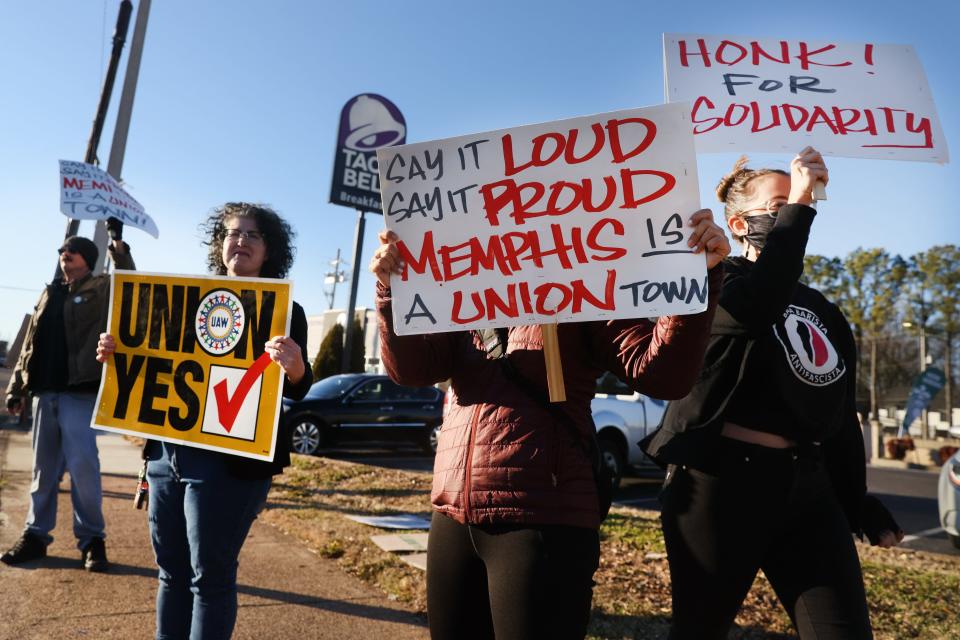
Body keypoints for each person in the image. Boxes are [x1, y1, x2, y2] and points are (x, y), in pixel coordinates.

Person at [370, 211, 731, 640]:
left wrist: (697, 280)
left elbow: (662, 375)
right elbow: (411, 369)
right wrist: (390, 290)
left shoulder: (585, 285)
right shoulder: (461, 287)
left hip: (543, 516)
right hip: (451, 512)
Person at [641, 148, 904, 639]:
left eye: (801, 203)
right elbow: (758, 308)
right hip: (720, 488)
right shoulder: (713, 285)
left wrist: (856, 500)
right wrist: (801, 205)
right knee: (699, 629)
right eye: (780, 205)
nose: (797, 210)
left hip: (807, 490)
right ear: (739, 224)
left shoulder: (822, 308)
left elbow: (839, 415)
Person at [97, 203, 311, 640]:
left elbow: (296, 389)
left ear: (270, 249)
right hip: (166, 458)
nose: (241, 241)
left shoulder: (287, 312)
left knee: (209, 577)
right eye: (233, 233)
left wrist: (296, 368)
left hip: (230, 467)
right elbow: (154, 359)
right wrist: (118, 352)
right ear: (220, 244)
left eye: (253, 235)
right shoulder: (186, 303)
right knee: (170, 572)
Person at [2, 230, 134, 571]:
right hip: (45, 393)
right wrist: (15, 388)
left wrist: (118, 247)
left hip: (80, 393)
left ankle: (92, 540)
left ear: (88, 259)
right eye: (63, 250)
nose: (66, 254)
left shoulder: (102, 288)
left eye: (73, 251)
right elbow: (31, 344)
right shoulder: (50, 292)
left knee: (83, 469)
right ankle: (35, 537)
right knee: (42, 473)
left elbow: (129, 283)